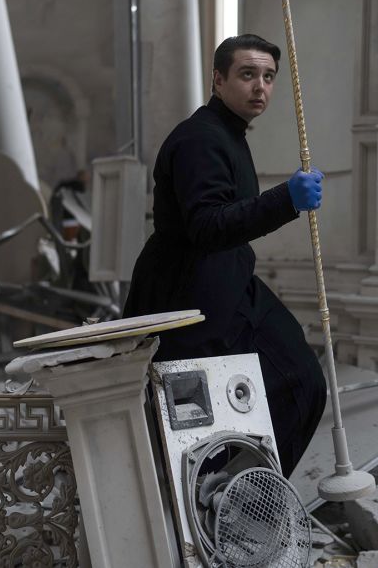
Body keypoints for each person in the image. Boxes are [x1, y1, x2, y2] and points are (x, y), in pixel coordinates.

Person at [123, 33, 327, 477]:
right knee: (207, 422)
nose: (261, 87)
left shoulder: (228, 134)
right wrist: (286, 200)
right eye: (247, 74)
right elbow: (208, 226)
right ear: (218, 80)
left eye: (269, 77)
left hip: (227, 282)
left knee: (302, 383)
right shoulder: (201, 139)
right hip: (189, 295)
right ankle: (223, 508)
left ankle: (245, 500)